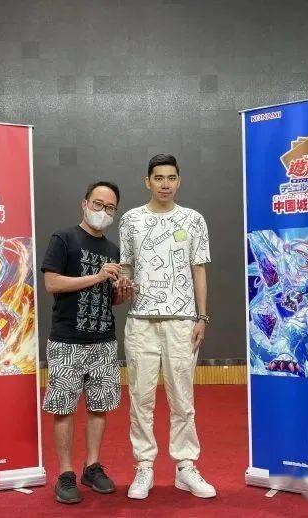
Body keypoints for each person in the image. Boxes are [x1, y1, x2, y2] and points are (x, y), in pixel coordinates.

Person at [119, 154, 216, 499]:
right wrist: (122, 286)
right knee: (140, 398)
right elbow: (126, 268)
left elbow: (198, 270)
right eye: (158, 178)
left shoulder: (193, 219)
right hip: (141, 323)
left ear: (179, 181)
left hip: (182, 322)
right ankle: (144, 466)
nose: (165, 184)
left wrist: (201, 317)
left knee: (182, 399)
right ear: (147, 181)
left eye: (171, 178)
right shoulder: (131, 220)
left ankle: (185, 466)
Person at [41, 181, 134, 504]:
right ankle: (65, 473)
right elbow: (52, 283)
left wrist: (122, 293)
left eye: (110, 208)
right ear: (84, 203)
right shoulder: (63, 238)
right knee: (63, 409)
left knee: (99, 407)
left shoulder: (113, 250)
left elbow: (112, 299)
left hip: (103, 341)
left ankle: (91, 467)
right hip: (67, 340)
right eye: (98, 204)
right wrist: (97, 276)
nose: (103, 211)